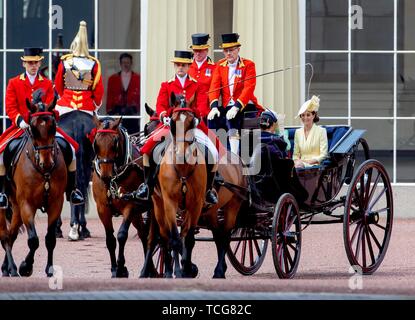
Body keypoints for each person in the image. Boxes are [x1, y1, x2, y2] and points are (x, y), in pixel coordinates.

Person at [127, 50, 218, 205]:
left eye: (183, 65)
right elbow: (160, 104)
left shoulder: (198, 85)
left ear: (189, 66)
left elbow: (202, 106)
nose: (180, 68)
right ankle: (147, 186)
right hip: (171, 125)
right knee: (147, 149)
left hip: (192, 126)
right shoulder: (167, 85)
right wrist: (164, 116)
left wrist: (196, 117)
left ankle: (208, 189)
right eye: (177, 65)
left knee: (214, 150)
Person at [0, 47, 83, 208]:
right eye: (30, 63)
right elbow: (10, 107)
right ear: (24, 63)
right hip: (21, 127)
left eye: (36, 63)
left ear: (39, 64)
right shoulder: (14, 82)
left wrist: (49, 116)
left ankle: (72, 191)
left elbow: (53, 107)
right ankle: (2, 193)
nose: (33, 66)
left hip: (44, 129)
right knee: (1, 154)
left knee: (71, 151)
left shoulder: (47, 83)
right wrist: (20, 121)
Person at [54, 20, 104, 240]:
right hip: (85, 111)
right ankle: (80, 221)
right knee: (91, 160)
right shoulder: (94, 64)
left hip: (65, 110)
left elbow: (58, 86)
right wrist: (91, 107)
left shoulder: (64, 62)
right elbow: (98, 93)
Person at [208, 33, 264, 155]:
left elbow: (249, 88)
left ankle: (233, 157)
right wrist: (214, 107)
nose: (228, 53)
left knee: (232, 118)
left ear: (238, 49)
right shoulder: (220, 66)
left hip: (245, 104)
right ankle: (215, 154)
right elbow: (214, 87)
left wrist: (237, 106)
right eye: (226, 50)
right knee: (211, 119)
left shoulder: (248, 65)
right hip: (228, 106)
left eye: (231, 50)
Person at [106, 53, 141, 134]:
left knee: (133, 134)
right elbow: (109, 95)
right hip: (117, 112)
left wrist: (138, 110)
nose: (125, 65)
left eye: (127, 62)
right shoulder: (112, 79)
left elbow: (140, 96)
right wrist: (110, 111)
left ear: (131, 63)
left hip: (133, 114)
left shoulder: (138, 78)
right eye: (123, 62)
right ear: (120, 64)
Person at [293, 95, 328, 168]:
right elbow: (295, 154)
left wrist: (311, 161)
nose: (305, 118)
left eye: (308, 115)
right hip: (299, 165)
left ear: (313, 115)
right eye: (302, 115)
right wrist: (296, 161)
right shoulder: (298, 132)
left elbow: (324, 154)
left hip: (315, 166)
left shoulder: (321, 131)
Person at [188, 33, 216, 123]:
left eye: (200, 51)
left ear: (206, 50)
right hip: (188, 112)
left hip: (207, 113)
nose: (197, 53)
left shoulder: (214, 68)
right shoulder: (187, 67)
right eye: (195, 51)